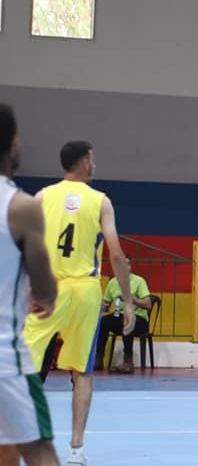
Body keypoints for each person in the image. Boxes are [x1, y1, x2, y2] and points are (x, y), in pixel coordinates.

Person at [23, 141, 134, 466]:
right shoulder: (101, 201)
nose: (95, 164)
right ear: (84, 162)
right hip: (84, 291)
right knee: (81, 373)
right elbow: (116, 254)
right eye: (93, 158)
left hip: (48, 289)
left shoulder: (42, 197)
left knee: (24, 371)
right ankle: (76, 450)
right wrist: (127, 300)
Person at [0, 104, 60, 466]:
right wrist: (41, 299)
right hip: (4, 358)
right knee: (39, 450)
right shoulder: (21, 206)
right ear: (12, 143)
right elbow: (46, 291)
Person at [95, 257, 152, 373]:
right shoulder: (112, 283)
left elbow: (148, 304)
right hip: (119, 316)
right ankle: (98, 359)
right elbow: (106, 305)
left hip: (139, 319)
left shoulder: (139, 281)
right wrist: (102, 306)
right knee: (103, 321)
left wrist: (131, 298)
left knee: (127, 319)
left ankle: (128, 361)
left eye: (128, 264)